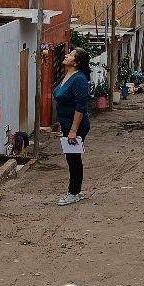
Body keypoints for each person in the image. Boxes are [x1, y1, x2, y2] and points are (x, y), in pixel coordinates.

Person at [54, 48, 92, 206]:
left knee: (73, 158)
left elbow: (81, 106)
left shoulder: (79, 79)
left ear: (76, 63)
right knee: (72, 158)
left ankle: (74, 192)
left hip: (76, 126)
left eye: (70, 55)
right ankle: (75, 191)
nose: (66, 55)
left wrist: (73, 131)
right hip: (66, 124)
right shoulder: (68, 75)